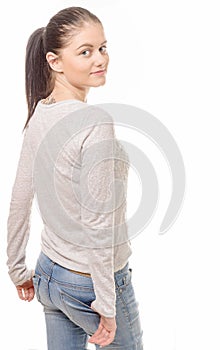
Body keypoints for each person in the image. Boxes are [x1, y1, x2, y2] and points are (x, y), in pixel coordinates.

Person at [6, 6, 143, 349]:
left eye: (103, 47)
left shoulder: (41, 113)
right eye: (85, 52)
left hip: (49, 275)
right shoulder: (94, 122)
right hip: (90, 285)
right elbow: (98, 222)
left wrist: (17, 269)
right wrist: (107, 306)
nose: (100, 59)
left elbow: (19, 198)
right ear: (54, 61)